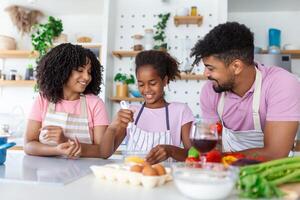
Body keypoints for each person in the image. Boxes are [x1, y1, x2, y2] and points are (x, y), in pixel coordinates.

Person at [190, 22, 300, 160]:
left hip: (272, 172)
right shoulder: (211, 90)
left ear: (236, 66)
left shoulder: (282, 83)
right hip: (227, 171)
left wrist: (220, 158)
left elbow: (275, 153)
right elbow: (213, 144)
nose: (205, 74)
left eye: (211, 68)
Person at [25, 43, 114, 158]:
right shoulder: (43, 100)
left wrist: (65, 141)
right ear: (62, 70)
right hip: (47, 173)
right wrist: (57, 150)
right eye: (80, 70)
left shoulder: (95, 104)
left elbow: (102, 150)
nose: (87, 77)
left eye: (89, 72)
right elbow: (28, 145)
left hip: (84, 173)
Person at [110, 50, 195, 164]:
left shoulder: (181, 111)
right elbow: (106, 152)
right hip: (133, 177)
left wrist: (171, 151)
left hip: (165, 177)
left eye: (153, 83)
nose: (146, 90)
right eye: (141, 84)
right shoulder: (131, 111)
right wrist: (113, 125)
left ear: (164, 81)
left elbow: (194, 155)